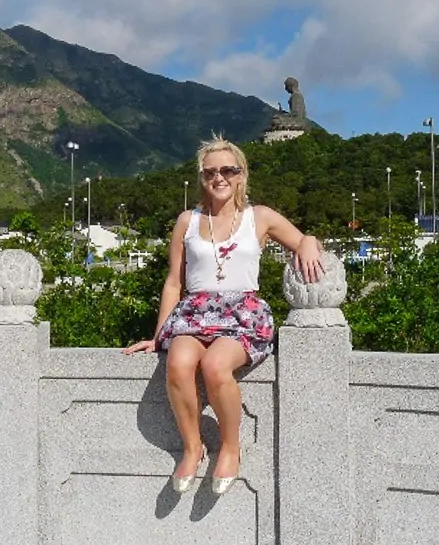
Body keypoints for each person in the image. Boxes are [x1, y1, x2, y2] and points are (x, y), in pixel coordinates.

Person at [123, 136, 322, 495]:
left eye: (228, 170)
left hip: (242, 314)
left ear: (241, 175)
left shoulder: (258, 217)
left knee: (216, 367)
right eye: (210, 171)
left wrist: (308, 241)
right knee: (178, 363)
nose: (220, 177)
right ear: (201, 178)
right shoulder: (188, 220)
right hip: (194, 312)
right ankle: (192, 446)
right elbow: (173, 282)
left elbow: (304, 240)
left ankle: (230, 445)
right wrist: (158, 336)